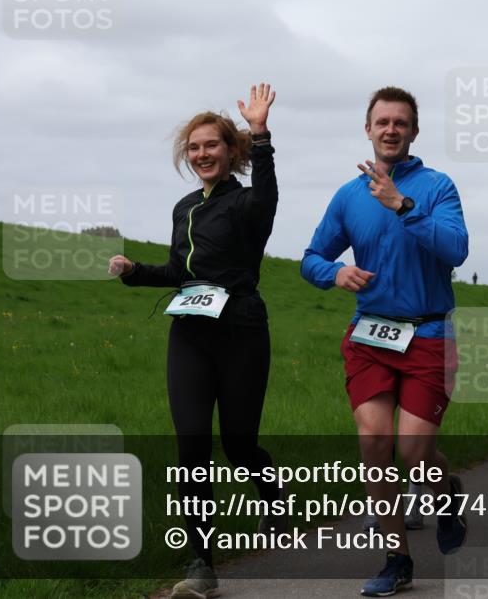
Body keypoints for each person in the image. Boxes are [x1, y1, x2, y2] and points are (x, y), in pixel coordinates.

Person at [108, 84, 281, 599]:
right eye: (194, 147)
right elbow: (181, 272)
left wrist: (262, 133)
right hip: (189, 332)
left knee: (238, 444)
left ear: (231, 152)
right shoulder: (184, 207)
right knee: (192, 445)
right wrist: (135, 271)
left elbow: (268, 193)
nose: (202, 153)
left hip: (241, 329)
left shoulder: (250, 203)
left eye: (212, 145)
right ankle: (201, 563)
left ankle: (270, 490)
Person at [300, 86, 469, 597]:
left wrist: (403, 205)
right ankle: (397, 559)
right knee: (375, 445)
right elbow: (310, 257)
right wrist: (335, 273)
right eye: (382, 122)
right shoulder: (348, 195)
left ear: (414, 131)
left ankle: (446, 494)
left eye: (401, 122)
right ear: (368, 130)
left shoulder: (437, 187)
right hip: (370, 334)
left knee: (416, 454)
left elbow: (456, 249)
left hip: (428, 333)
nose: (391, 129)